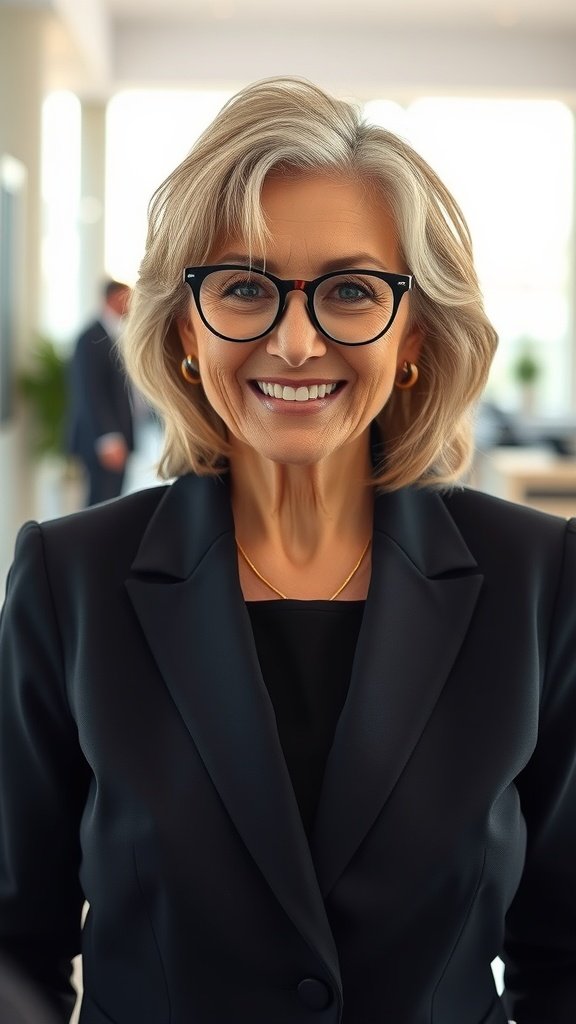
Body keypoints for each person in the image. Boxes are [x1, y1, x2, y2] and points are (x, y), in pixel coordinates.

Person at [0, 77, 575, 1024]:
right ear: (187, 330)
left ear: (415, 334)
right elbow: (15, 943)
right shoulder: (74, 582)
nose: (297, 342)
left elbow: (565, 955)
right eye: (244, 288)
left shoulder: (538, 581)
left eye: (351, 290)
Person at [67, 279, 134, 505]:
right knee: (99, 505)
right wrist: (109, 438)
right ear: (112, 298)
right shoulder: (90, 338)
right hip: (104, 442)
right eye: (127, 297)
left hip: (119, 437)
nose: (132, 303)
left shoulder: (115, 333)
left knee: (113, 502)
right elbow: (90, 392)